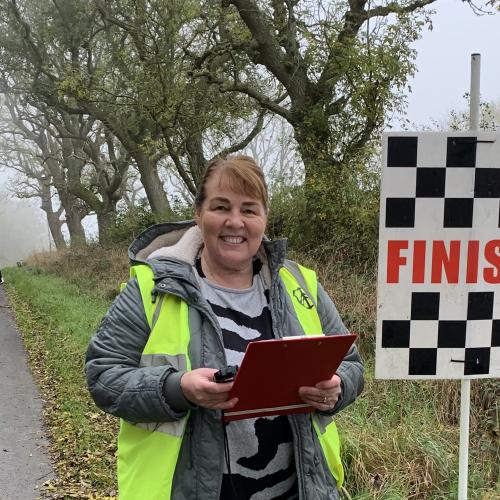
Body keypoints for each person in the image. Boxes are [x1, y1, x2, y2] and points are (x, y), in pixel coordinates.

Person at [85, 155, 364, 500]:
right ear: (199, 214)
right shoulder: (154, 288)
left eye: (249, 210)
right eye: (221, 207)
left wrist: (335, 390)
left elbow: (351, 365)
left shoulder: (300, 285)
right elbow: (103, 375)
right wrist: (178, 389)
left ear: (264, 219)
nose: (235, 222)